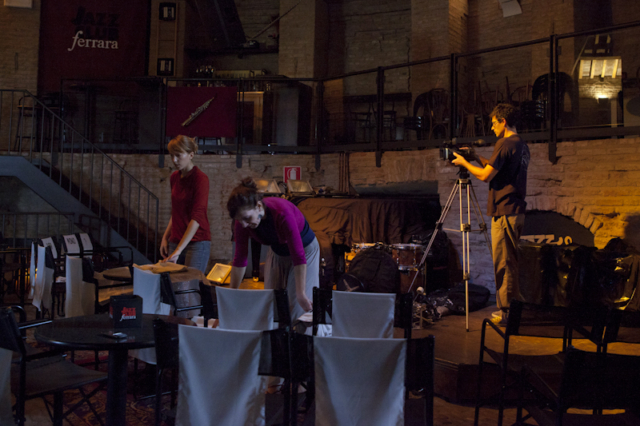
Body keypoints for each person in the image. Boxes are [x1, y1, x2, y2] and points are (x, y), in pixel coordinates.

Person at [451, 103, 530, 323]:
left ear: (503, 121)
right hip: (515, 210)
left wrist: (464, 163)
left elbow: (485, 176)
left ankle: (506, 313)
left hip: (505, 210)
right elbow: (494, 170)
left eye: (494, 123)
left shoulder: (505, 143)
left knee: (503, 263)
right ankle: (512, 310)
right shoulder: (521, 145)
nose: (492, 128)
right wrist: (475, 157)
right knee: (510, 263)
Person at [227, 177, 319, 320]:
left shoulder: (282, 213)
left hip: (305, 251)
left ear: (258, 206)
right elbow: (240, 259)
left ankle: (298, 340)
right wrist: (232, 295)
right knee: (272, 305)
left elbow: (298, 255)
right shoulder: (242, 222)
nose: (243, 225)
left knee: (297, 308)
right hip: (278, 251)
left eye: (246, 218)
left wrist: (301, 294)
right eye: (239, 220)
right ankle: (275, 341)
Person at [160, 135, 211, 273]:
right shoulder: (174, 177)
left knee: (190, 287)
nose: (174, 160)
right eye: (171, 155)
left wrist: (178, 250)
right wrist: (165, 237)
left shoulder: (200, 179)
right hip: (175, 240)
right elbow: (176, 212)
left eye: (178, 155)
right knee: (173, 287)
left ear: (191, 155)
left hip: (196, 242)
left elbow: (197, 217)